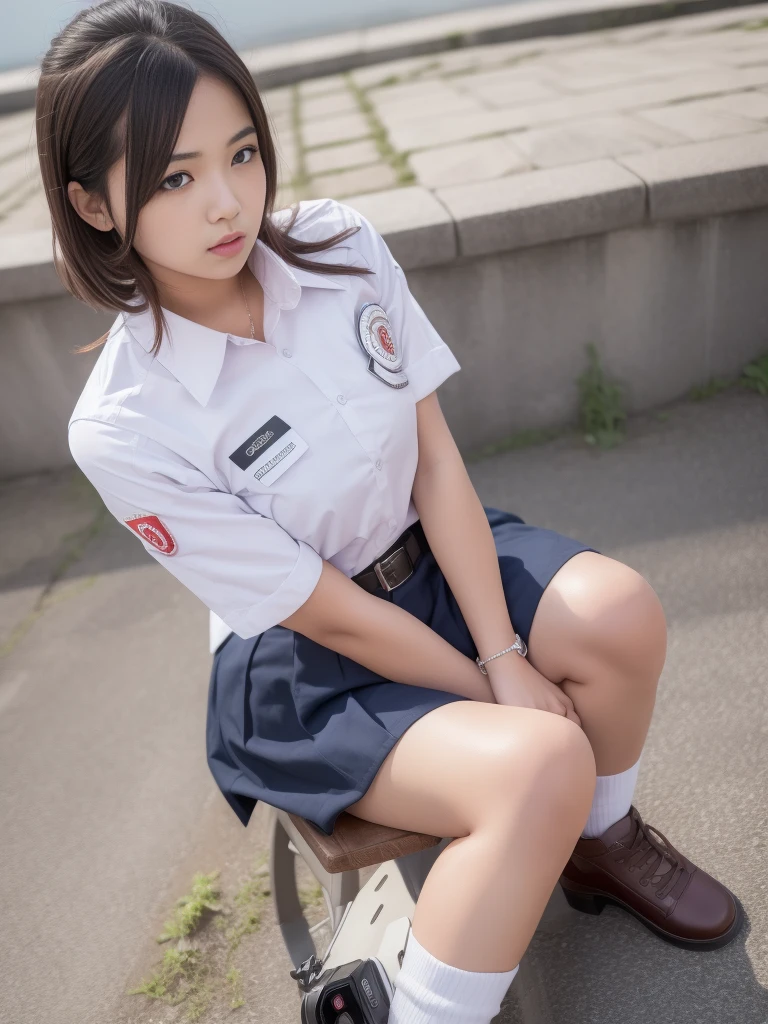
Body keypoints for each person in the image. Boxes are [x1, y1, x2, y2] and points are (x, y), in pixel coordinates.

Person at [40, 1, 742, 1021]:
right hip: (305, 661)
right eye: (174, 178)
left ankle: (600, 840)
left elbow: (435, 461)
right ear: (94, 205)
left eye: (241, 152)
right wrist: (491, 687)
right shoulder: (125, 421)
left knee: (622, 611)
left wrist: (503, 652)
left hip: (434, 558)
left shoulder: (338, 246)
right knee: (539, 754)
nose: (228, 202)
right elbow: (316, 607)